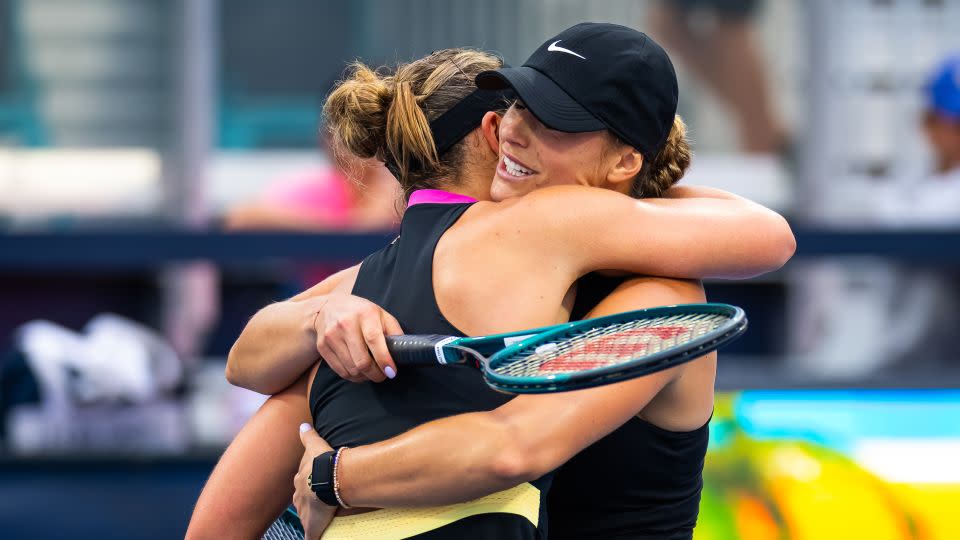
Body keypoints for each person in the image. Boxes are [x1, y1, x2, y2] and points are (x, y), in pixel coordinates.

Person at [188, 25, 794, 540]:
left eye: (554, 120)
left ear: (625, 163)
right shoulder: (363, 312)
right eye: (515, 106)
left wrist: (334, 478)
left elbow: (513, 447)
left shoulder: (660, 295)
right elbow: (248, 364)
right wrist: (320, 319)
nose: (514, 131)